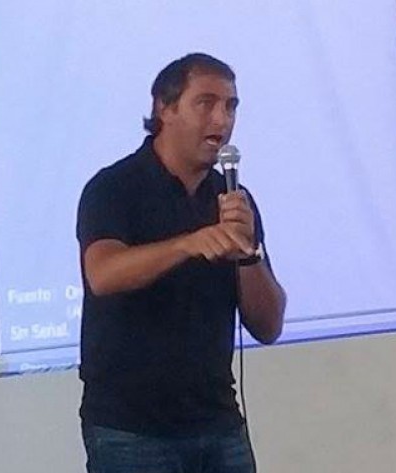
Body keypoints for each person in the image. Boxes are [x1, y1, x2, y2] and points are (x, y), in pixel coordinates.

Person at [76, 52, 287, 473]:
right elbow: (102, 274)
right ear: (164, 108)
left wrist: (248, 254)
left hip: (218, 422)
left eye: (230, 106)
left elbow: (268, 326)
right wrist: (189, 244)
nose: (222, 120)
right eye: (206, 103)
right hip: (131, 431)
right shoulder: (114, 188)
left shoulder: (233, 199)